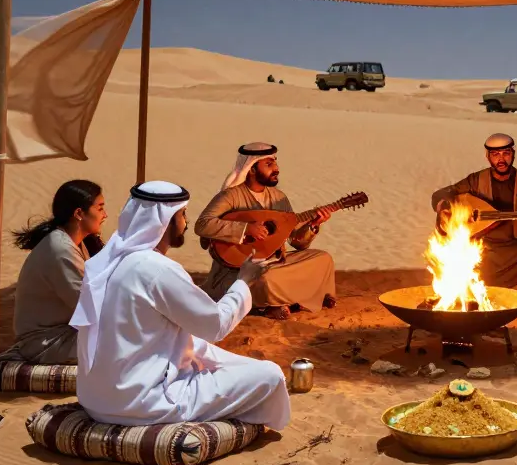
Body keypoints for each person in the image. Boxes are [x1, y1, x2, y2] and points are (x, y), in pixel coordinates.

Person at [71, 181, 290, 429]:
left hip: (96, 399)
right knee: (270, 375)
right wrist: (243, 280)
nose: (185, 222)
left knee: (207, 352)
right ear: (166, 220)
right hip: (141, 403)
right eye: (182, 214)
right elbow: (216, 325)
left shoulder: (107, 261)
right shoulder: (157, 270)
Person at [197, 143, 336, 320]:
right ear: (252, 169)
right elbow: (202, 224)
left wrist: (313, 226)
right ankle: (278, 302)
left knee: (323, 259)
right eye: (269, 164)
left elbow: (295, 241)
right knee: (265, 279)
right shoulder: (231, 196)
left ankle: (280, 301)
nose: (276, 169)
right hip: (237, 269)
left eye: (275, 163)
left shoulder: (279, 198)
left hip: (276, 262)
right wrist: (246, 229)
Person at [0, 180, 106, 365]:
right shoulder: (60, 250)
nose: (105, 215)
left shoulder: (74, 242)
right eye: (100, 208)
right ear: (79, 213)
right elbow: (89, 308)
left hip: (65, 332)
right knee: (130, 342)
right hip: (46, 343)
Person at [431, 133, 517, 292]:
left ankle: (503, 286)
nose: (501, 160)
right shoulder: (475, 180)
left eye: (506, 153)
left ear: (513, 154)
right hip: (481, 244)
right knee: (461, 257)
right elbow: (441, 194)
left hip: (512, 246)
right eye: (495, 154)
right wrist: (445, 208)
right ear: (487, 156)